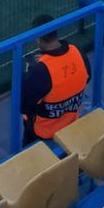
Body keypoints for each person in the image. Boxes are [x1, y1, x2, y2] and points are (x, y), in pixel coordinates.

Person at [21, 14, 91, 146]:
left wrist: (27, 76)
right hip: (71, 122)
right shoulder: (77, 52)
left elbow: (23, 106)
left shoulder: (40, 71)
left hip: (43, 132)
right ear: (56, 32)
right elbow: (87, 78)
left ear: (38, 39)